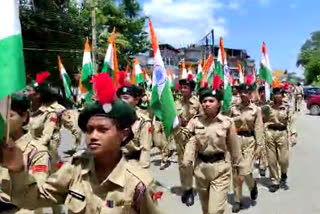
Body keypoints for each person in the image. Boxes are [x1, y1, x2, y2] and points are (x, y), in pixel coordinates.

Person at [0, 73, 161, 214]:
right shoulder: (75, 169)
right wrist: (18, 170)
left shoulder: (138, 184)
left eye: (102, 130)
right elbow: (30, 199)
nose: (93, 136)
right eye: (89, 130)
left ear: (124, 134)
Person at [181, 88, 246, 214]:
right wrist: (176, 126)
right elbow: (187, 139)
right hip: (201, 170)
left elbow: (235, 149)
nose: (207, 104)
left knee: (214, 211)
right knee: (206, 209)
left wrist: (241, 170)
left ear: (219, 104)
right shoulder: (195, 122)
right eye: (204, 101)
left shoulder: (227, 123)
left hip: (220, 170)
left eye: (211, 101)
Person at [0, 93, 51, 214]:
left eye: (9, 116)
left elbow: (37, 194)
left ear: (24, 117)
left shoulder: (36, 151)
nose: (3, 122)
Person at [229, 83, 263, 213]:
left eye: (246, 92)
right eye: (241, 92)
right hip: (236, 140)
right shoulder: (233, 108)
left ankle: (252, 185)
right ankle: (237, 200)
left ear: (250, 94)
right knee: (236, 171)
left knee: (246, 170)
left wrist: (259, 145)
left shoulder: (256, 110)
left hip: (249, 141)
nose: (243, 94)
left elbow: (259, 127)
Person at [262, 87, 297, 192]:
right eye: (275, 94)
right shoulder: (268, 107)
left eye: (279, 94)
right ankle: (274, 181)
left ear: (282, 95)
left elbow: (292, 121)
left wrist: (293, 134)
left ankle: (283, 172)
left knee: (283, 160)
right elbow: (260, 116)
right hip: (270, 133)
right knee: (271, 160)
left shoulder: (287, 107)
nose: (277, 96)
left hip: (282, 133)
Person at [174, 76, 201, 206]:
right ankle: (185, 188)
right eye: (182, 87)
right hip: (179, 137)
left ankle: (190, 191)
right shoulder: (176, 103)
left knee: (187, 163)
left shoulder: (197, 103)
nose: (183, 89)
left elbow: (202, 119)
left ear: (191, 90)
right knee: (181, 165)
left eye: (186, 87)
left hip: (191, 136)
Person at [117, 85, 152, 169]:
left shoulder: (143, 122)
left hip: (132, 165)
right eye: (120, 98)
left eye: (126, 98)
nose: (122, 101)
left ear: (136, 100)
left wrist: (142, 173)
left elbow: (145, 150)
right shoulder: (111, 117)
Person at [255, 86, 269, 176]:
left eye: (264, 92)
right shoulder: (255, 104)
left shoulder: (271, 104)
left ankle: (265, 164)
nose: (263, 94)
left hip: (269, 128)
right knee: (261, 146)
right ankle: (262, 165)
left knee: (267, 147)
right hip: (259, 128)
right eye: (261, 92)